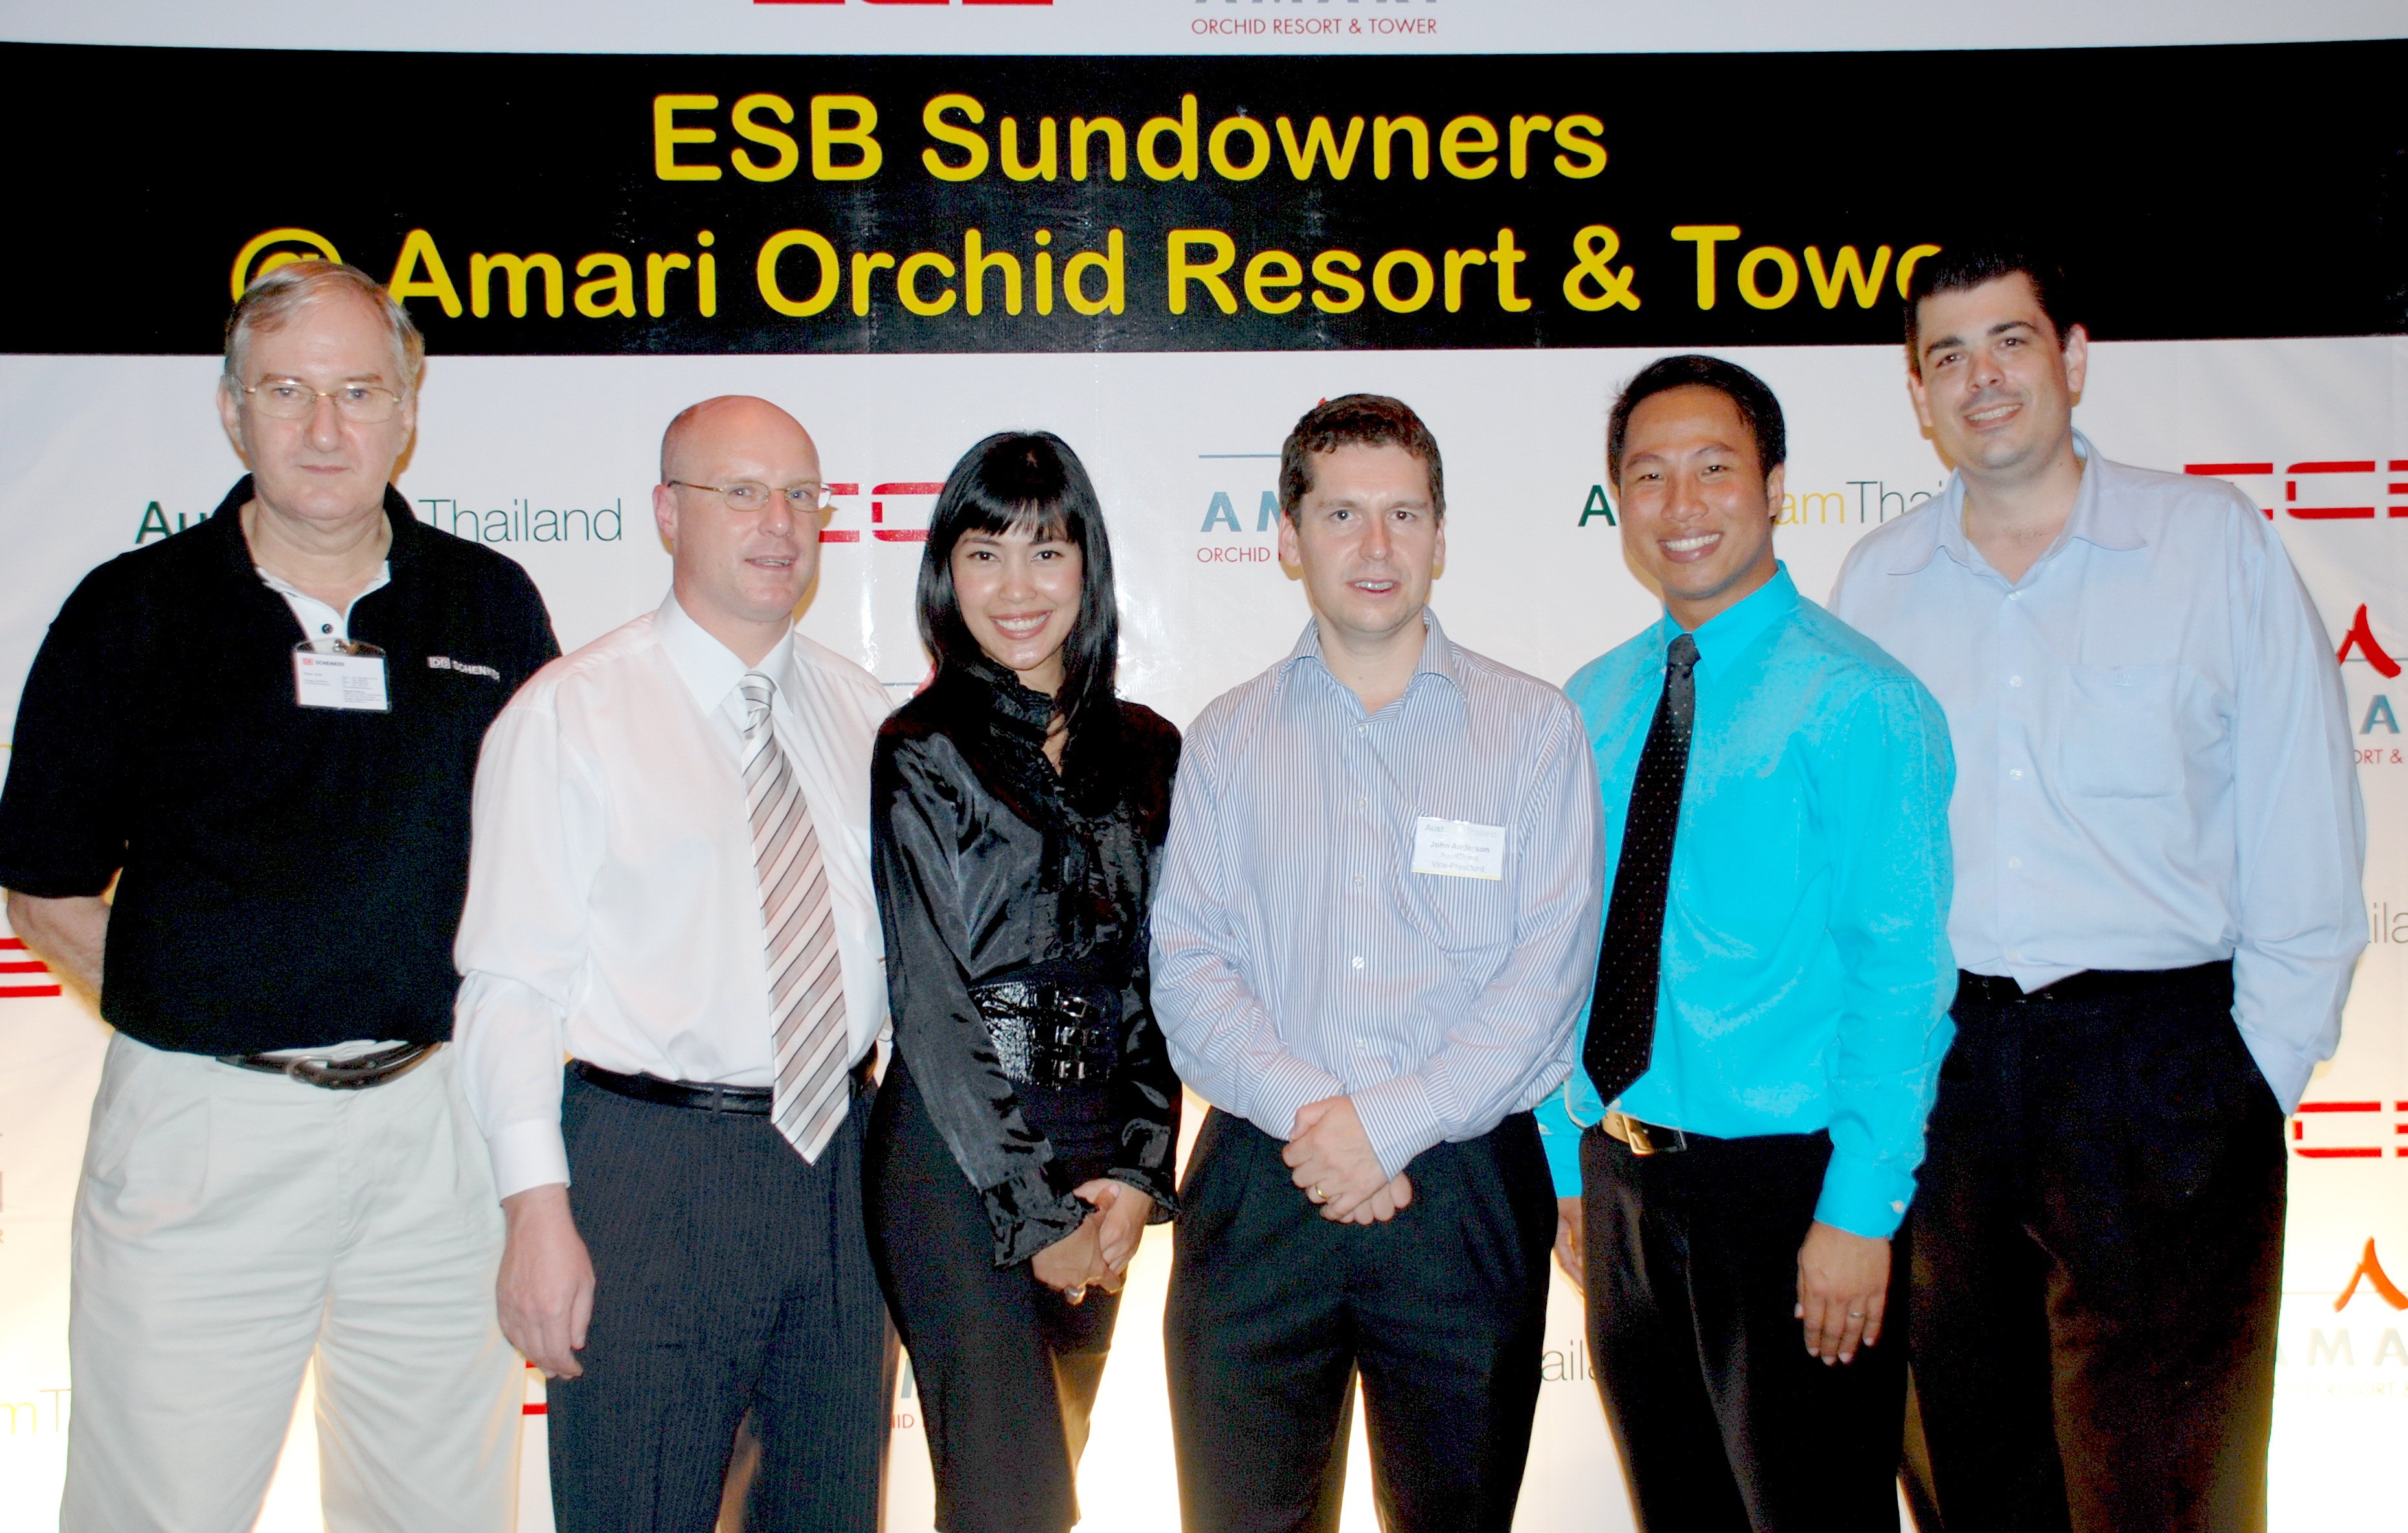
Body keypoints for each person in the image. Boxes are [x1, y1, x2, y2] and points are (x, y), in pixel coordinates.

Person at [0, 260, 558, 1532]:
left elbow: (549, 868)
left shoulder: (488, 604)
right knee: (158, 1510)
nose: (323, 428)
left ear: (406, 410)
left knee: (441, 1512)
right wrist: (206, 1006)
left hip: (437, 1132)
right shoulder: (133, 613)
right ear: (231, 409)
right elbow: (46, 888)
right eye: (286, 391)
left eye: (357, 391)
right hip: (206, 1135)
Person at [1829, 245, 2366, 1533]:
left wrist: (2246, 1082)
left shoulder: (2209, 546)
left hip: (2159, 1069)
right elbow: (1855, 871)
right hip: (1947, 1071)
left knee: (2169, 1489)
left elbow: (2304, 826)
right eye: (1948, 355)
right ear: (1917, 396)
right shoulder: (1878, 586)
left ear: (2073, 357)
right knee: (1972, 1472)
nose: (1983, 377)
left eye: (2010, 341)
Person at [1150, 394, 1603, 1533]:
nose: (1376, 545)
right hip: (1266, 1177)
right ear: (1288, 536)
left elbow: (1547, 979)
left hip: (1462, 1188)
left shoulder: (1534, 729)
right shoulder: (1227, 737)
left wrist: (1388, 1124)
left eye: (1405, 514)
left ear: (1441, 538)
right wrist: (1327, 1123)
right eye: (1342, 513)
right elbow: (1189, 966)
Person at [451, 396, 893, 1532]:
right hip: (648, 1175)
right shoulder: (570, 716)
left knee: (830, 1510)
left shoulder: (867, 715)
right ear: (665, 513)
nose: (779, 522)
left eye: (800, 494)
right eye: (739, 492)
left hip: (843, 1170)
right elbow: (510, 986)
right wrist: (534, 1211)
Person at [1536, 356, 1957, 1531]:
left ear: (1773, 486)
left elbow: (1902, 976)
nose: (1681, 504)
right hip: (1622, 1184)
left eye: (1714, 469)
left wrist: (1859, 1210)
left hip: (1790, 1193)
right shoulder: (1592, 700)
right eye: (1649, 475)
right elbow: (1564, 954)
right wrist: (1569, 1166)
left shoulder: (1858, 700)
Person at [862, 431, 1182, 1533]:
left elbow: (1160, 981)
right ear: (945, 573)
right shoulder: (921, 746)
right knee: (1014, 1503)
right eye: (984, 553)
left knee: (1050, 1485)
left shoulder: (1148, 748)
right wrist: (1035, 1215)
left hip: (1099, 1152)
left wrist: (1137, 1173)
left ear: (1088, 566)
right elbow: (931, 1002)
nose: (1016, 587)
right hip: (956, 1162)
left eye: (1046, 552)